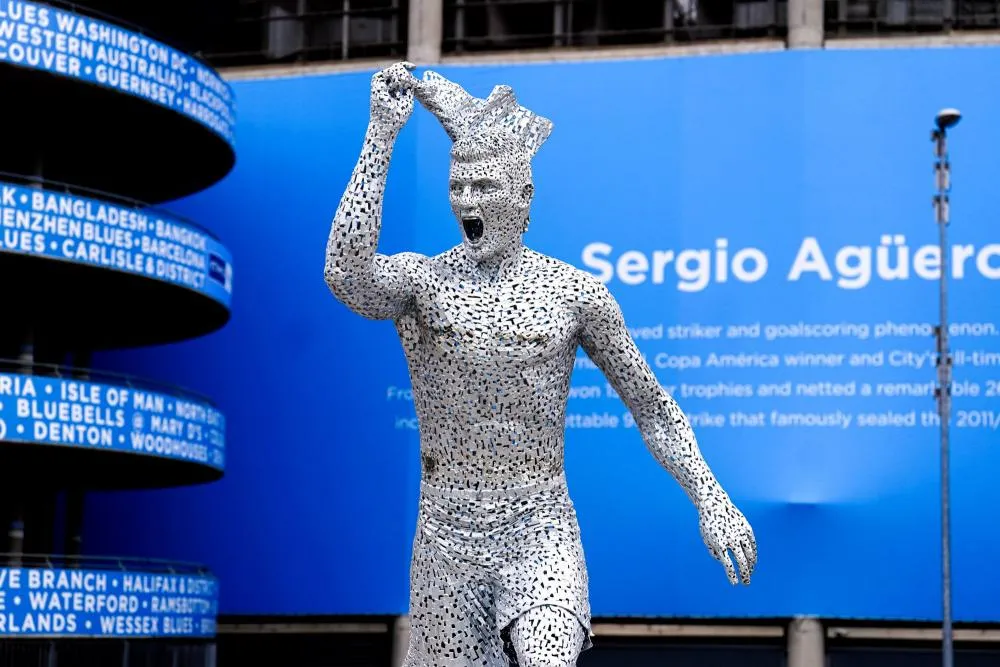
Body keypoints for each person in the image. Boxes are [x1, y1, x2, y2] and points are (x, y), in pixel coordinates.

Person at [324, 61, 757, 667]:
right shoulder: (424, 283)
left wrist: (710, 498)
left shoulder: (575, 294)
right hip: (445, 536)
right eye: (458, 186)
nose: (467, 201)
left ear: (524, 195)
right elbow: (346, 276)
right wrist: (380, 135)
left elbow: (654, 409)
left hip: (539, 525)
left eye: (484, 186)